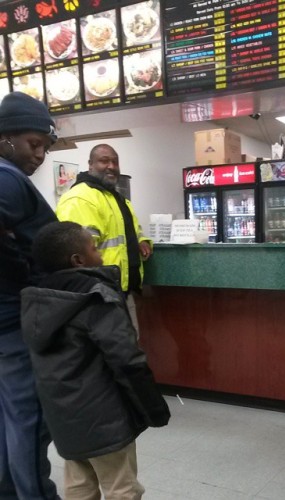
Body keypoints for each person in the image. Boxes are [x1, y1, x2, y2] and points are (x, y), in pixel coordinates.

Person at [21, 221, 171, 499]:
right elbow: (126, 359)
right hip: (105, 417)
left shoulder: (37, 301)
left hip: (63, 417)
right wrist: (153, 406)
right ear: (78, 260)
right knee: (122, 487)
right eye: (94, 248)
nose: (101, 254)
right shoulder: (95, 299)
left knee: (79, 485)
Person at [0, 91, 60, 498]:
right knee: (29, 418)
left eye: (45, 147)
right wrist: (19, 269)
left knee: (7, 419)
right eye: (33, 143)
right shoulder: (6, 178)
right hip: (16, 322)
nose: (39, 155)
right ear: (5, 137)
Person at [56, 143, 153, 334]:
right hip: (97, 294)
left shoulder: (117, 198)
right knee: (112, 353)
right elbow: (78, 254)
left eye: (115, 162)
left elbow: (131, 230)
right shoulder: (81, 198)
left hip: (121, 290)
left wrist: (142, 241)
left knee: (128, 346)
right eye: (104, 161)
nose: (111, 166)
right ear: (90, 164)